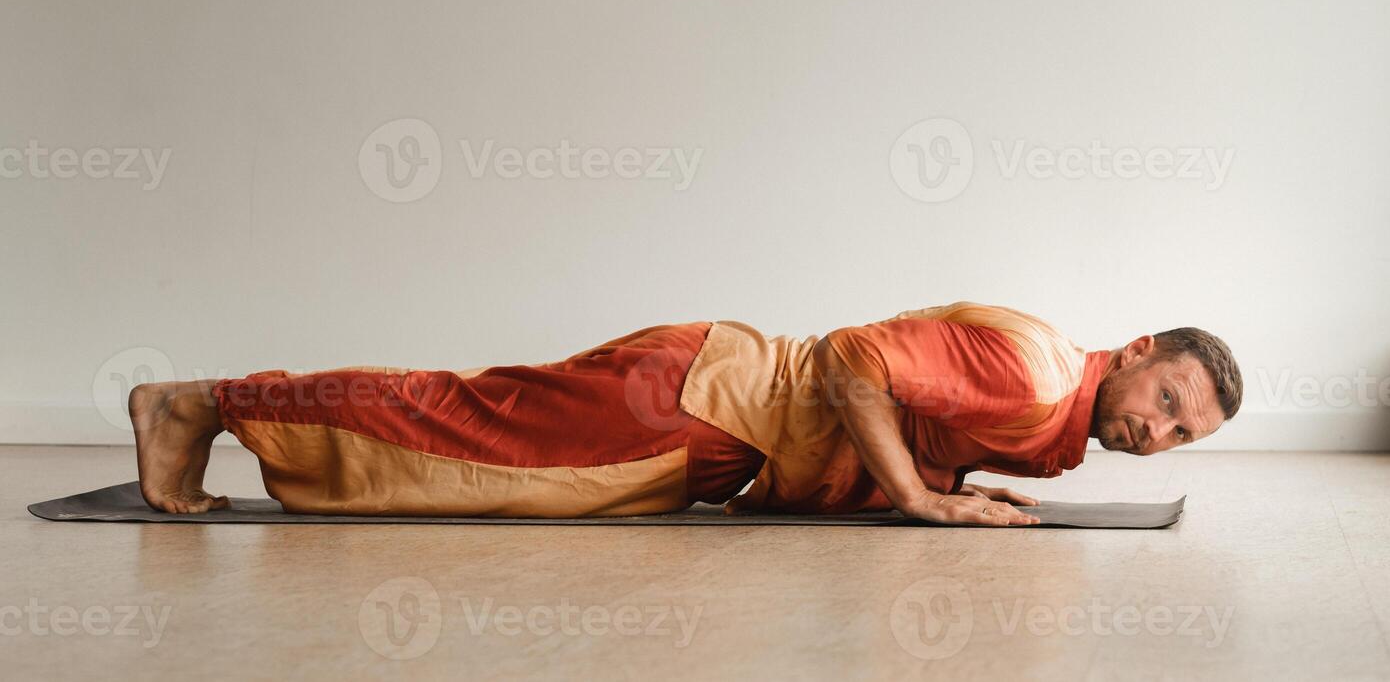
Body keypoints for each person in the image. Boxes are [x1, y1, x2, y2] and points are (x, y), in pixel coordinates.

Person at [127, 301, 1242, 526]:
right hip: (697, 406)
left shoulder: (1047, 399)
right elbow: (858, 359)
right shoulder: (1044, 374)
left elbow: (915, 403)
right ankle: (201, 401)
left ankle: (214, 402)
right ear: (1137, 350)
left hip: (703, 405)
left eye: (1179, 433)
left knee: (460, 425)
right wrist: (916, 497)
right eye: (1167, 402)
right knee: (449, 435)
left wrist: (946, 481)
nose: (1158, 432)